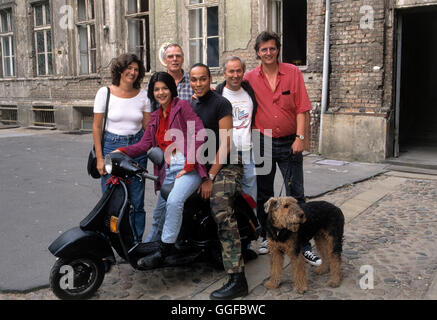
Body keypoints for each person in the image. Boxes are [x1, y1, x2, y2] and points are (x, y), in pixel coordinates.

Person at [243, 31, 322, 266]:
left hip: (290, 142)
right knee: (265, 195)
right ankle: (269, 237)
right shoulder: (249, 78)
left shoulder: (293, 72)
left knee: (295, 194)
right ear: (257, 52)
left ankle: (303, 243)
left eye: (272, 48)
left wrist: (300, 137)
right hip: (262, 142)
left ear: (278, 50)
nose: (268, 53)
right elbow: (232, 91)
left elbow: (302, 108)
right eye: (263, 49)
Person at [115, 71, 207, 268]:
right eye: (156, 89)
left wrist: (189, 163)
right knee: (159, 214)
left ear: (171, 90)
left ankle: (165, 250)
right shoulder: (156, 117)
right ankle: (149, 247)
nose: (161, 92)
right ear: (152, 93)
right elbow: (144, 145)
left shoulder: (182, 107)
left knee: (174, 201)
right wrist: (120, 151)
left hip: (187, 167)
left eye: (164, 88)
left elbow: (199, 133)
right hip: (168, 168)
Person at [190, 63, 248, 300]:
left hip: (228, 165)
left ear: (209, 79)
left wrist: (210, 177)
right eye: (194, 80)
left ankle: (237, 278)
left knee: (220, 206)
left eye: (202, 79)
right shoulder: (193, 104)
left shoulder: (221, 103)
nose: (198, 83)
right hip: (204, 165)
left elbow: (224, 145)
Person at [92, 53, 150, 242]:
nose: (132, 72)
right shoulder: (105, 93)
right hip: (111, 147)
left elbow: (148, 129)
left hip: (136, 149)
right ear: (120, 69)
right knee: (110, 201)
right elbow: (97, 126)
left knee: (136, 202)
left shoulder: (143, 96)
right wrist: (100, 158)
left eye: (136, 69)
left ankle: (134, 243)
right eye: (129, 68)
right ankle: (108, 246)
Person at [215, 56, 258, 260]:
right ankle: (228, 246)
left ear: (243, 71)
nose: (234, 75)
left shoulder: (249, 92)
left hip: (247, 151)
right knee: (228, 198)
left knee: (249, 197)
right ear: (224, 73)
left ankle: (247, 242)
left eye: (238, 71)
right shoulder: (218, 93)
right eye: (230, 71)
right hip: (227, 154)